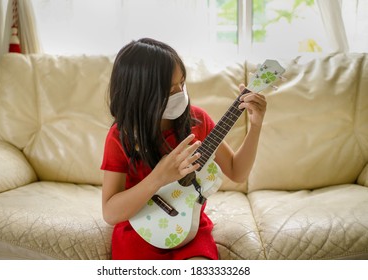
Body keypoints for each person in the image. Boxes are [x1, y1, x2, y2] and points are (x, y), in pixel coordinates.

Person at [101, 38, 266, 260]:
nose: (181, 93)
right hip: (139, 229)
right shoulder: (121, 136)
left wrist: (255, 127)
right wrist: (158, 177)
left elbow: (237, 172)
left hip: (190, 227)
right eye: (170, 90)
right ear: (141, 94)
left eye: (182, 84)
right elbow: (110, 212)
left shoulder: (197, 120)